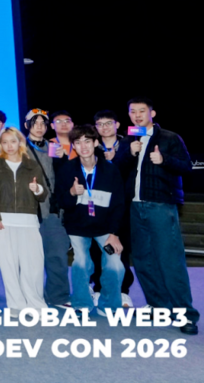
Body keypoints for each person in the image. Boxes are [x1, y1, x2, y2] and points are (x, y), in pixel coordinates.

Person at [115, 97, 199, 335]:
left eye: (142, 111)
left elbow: (186, 167)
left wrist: (164, 160)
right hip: (134, 207)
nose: (137, 115)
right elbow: (117, 169)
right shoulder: (129, 139)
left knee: (170, 262)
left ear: (152, 113)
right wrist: (129, 154)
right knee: (143, 260)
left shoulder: (170, 138)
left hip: (161, 205)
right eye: (133, 111)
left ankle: (186, 315)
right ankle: (158, 306)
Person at [58, 124, 126, 316]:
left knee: (114, 264)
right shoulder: (67, 170)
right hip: (77, 228)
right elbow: (61, 202)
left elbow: (119, 204)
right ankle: (81, 303)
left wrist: (114, 233)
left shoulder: (111, 170)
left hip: (105, 229)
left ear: (95, 143)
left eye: (87, 141)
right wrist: (72, 193)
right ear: (73, 146)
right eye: (78, 142)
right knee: (81, 262)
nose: (83, 146)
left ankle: (108, 305)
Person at [0, 126, 48, 317]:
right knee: (8, 265)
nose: (9, 146)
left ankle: (36, 304)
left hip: (28, 220)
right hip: (3, 222)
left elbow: (43, 194)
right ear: (0, 144)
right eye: (4, 142)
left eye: (13, 141)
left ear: (20, 142)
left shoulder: (32, 165)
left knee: (33, 266)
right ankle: (16, 305)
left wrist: (37, 189)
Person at [22, 108, 71, 309]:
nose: (39, 127)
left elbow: (63, 177)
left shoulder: (54, 147)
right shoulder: (19, 147)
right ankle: (28, 297)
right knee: (28, 259)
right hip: (27, 210)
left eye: (43, 123)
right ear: (27, 125)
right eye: (35, 123)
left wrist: (63, 159)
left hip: (52, 210)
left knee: (57, 255)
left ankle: (57, 296)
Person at [93, 109, 134, 306]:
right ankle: (98, 288)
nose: (104, 127)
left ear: (117, 125)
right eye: (100, 124)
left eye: (108, 123)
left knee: (120, 249)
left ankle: (123, 290)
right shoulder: (91, 146)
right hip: (97, 206)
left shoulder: (129, 145)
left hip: (122, 206)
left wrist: (116, 159)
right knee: (96, 250)